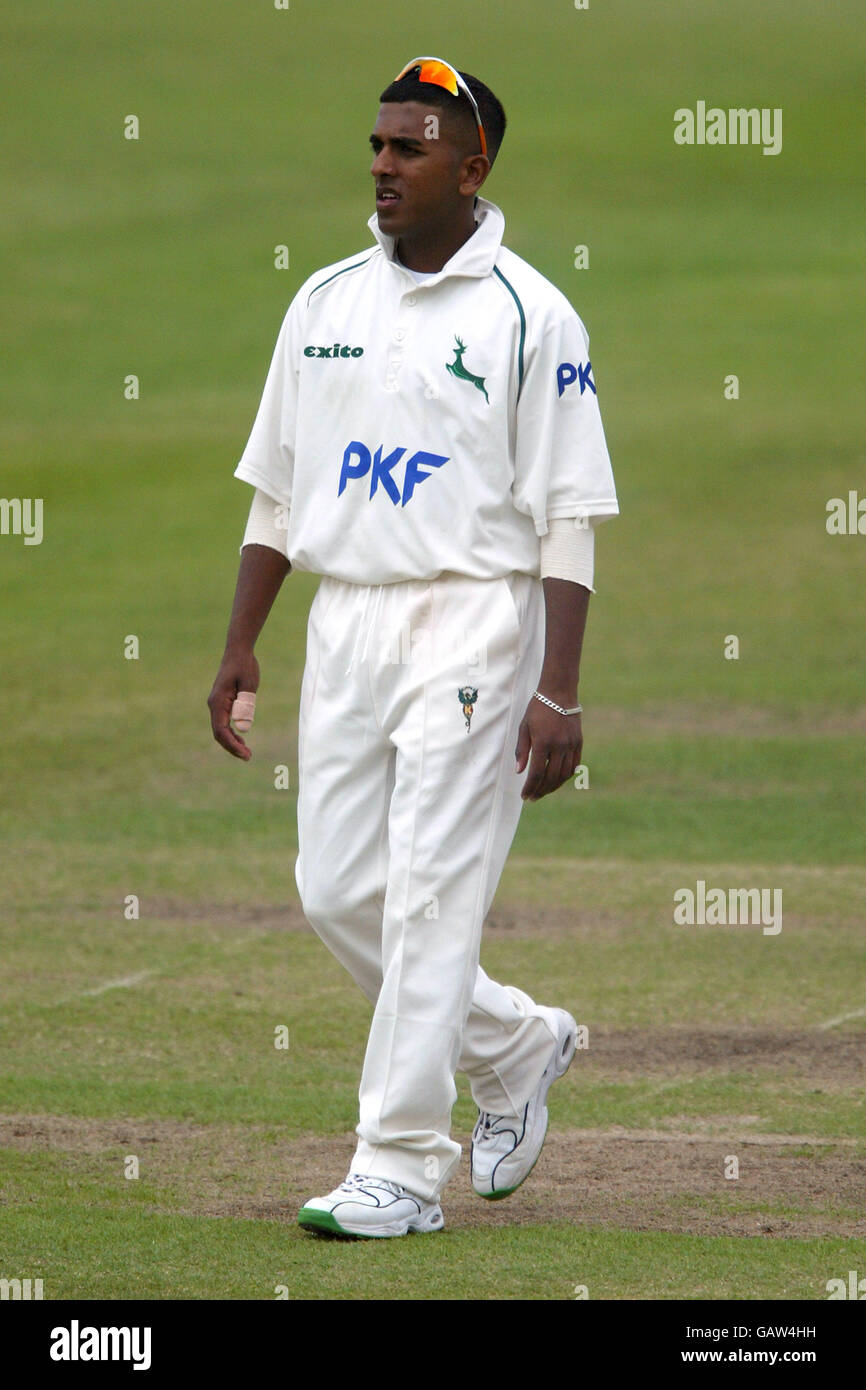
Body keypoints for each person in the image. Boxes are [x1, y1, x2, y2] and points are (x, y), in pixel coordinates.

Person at [208, 56, 618, 1239]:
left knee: (430, 897)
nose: (383, 165)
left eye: (412, 147)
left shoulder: (531, 315)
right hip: (348, 619)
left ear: (471, 165)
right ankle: (516, 1042)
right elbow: (278, 493)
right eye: (379, 143)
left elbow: (567, 515)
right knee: (338, 890)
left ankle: (395, 1164)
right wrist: (241, 643)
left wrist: (560, 688)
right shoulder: (325, 299)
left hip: (478, 619)